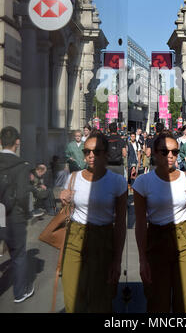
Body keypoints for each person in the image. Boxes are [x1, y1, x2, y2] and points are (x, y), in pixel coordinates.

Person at [133, 130, 186, 313]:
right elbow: (140, 224)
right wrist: (142, 259)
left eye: (174, 152)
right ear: (154, 153)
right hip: (157, 242)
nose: (170, 156)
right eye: (164, 152)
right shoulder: (142, 182)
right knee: (158, 303)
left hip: (185, 240)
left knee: (185, 303)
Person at [60, 130, 127, 313]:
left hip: (103, 240)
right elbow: (65, 213)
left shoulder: (118, 182)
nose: (91, 156)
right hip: (75, 238)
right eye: (87, 152)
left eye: (96, 151)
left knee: (101, 300)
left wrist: (117, 261)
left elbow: (121, 224)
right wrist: (63, 198)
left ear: (105, 154)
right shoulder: (73, 179)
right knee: (73, 298)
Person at [0, 126, 34, 303]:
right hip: (14, 217)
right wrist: (27, 213)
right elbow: (22, 195)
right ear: (17, 142)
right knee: (19, 255)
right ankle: (20, 293)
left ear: (0, 142)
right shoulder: (22, 166)